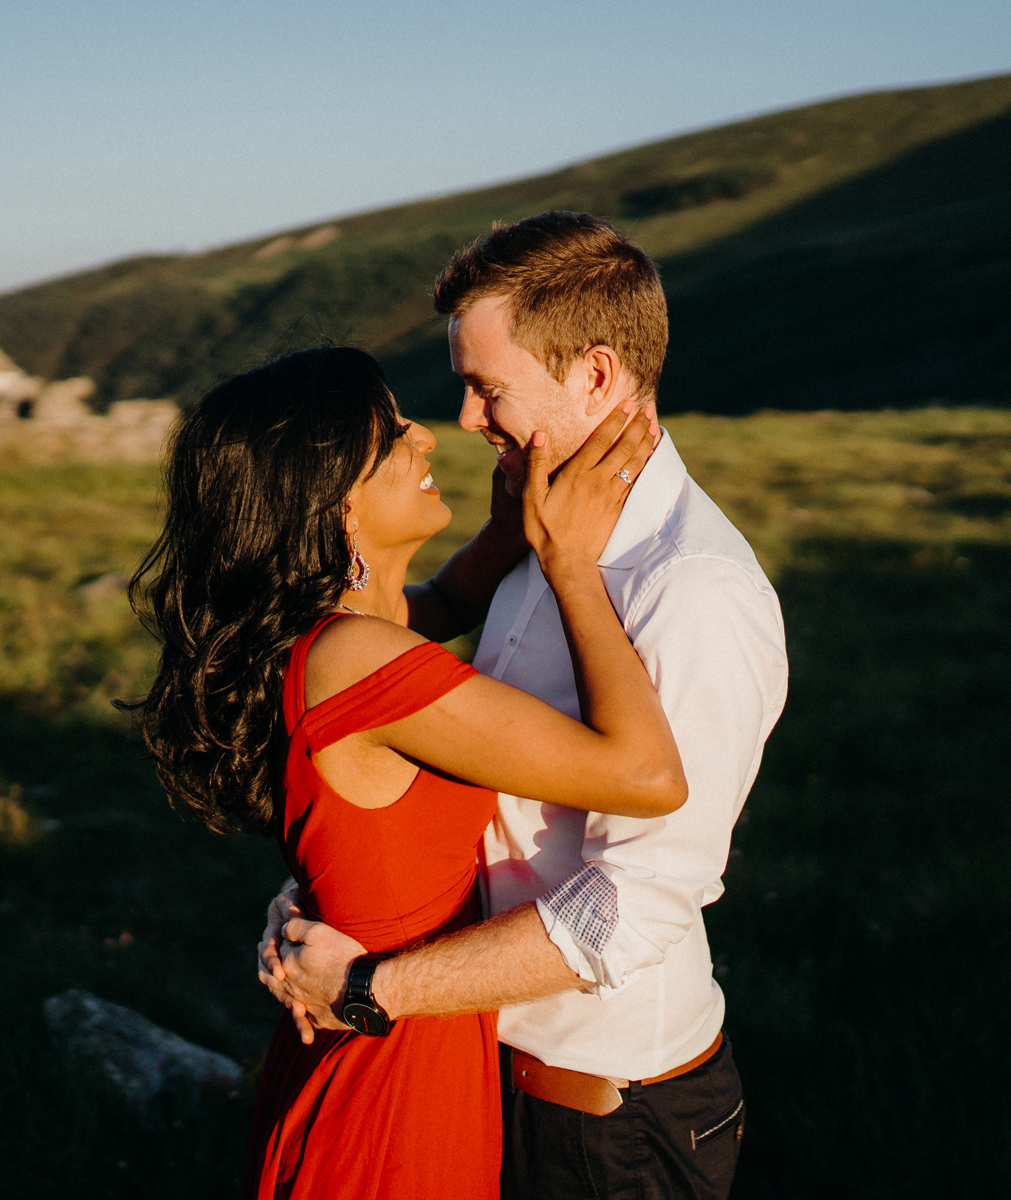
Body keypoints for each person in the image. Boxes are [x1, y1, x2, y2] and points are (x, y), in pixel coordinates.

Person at [260, 212, 790, 1200]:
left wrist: (371, 990)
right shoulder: (541, 524)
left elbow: (635, 909)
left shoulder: (691, 593)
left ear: (594, 375)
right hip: (477, 1073)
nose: (464, 419)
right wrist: (333, 894)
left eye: (486, 387)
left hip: (601, 1125)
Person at [121, 343, 681, 1200]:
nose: (424, 434)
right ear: (337, 502)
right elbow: (644, 777)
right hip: (393, 1078)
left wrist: (507, 532)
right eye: (390, 435)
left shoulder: (320, 633)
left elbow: (449, 602)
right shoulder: (354, 659)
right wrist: (567, 563)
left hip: (377, 1038)